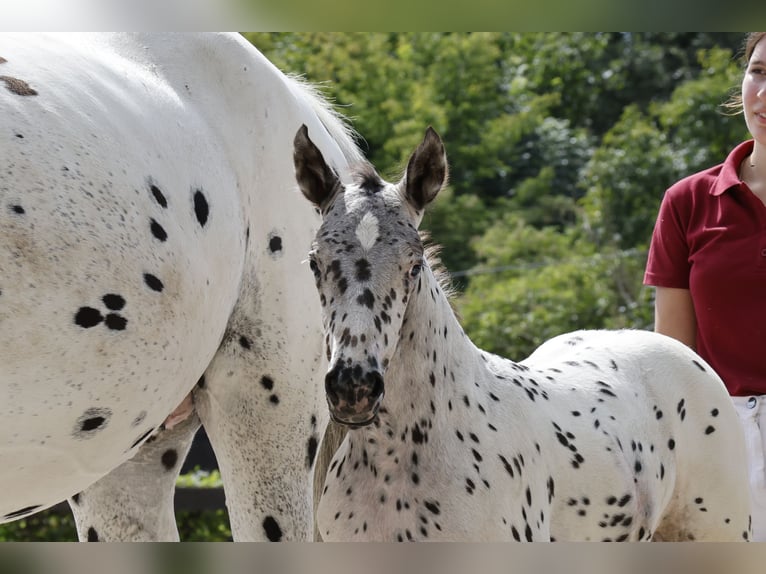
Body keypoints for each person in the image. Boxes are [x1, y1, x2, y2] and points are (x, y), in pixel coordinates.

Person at [644, 31, 766, 541]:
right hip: (720, 440)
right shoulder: (687, 201)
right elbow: (675, 358)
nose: (764, 94)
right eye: (759, 72)